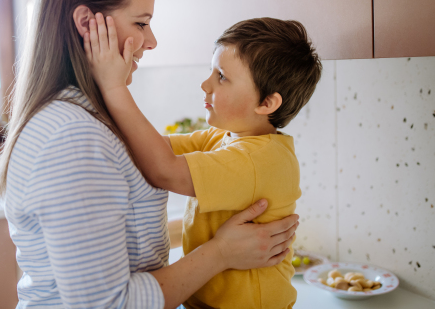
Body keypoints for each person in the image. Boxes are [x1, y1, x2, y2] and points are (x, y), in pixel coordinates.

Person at [0, 0, 299, 309]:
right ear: (87, 24)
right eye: (141, 23)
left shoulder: (85, 122)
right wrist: (220, 254)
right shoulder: (72, 137)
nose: (151, 41)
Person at [85, 16, 322, 309]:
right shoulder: (224, 137)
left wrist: (113, 88)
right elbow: (152, 149)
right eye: (211, 70)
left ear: (267, 104)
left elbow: (164, 170)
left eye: (221, 76)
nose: (205, 83)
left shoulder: (257, 159)